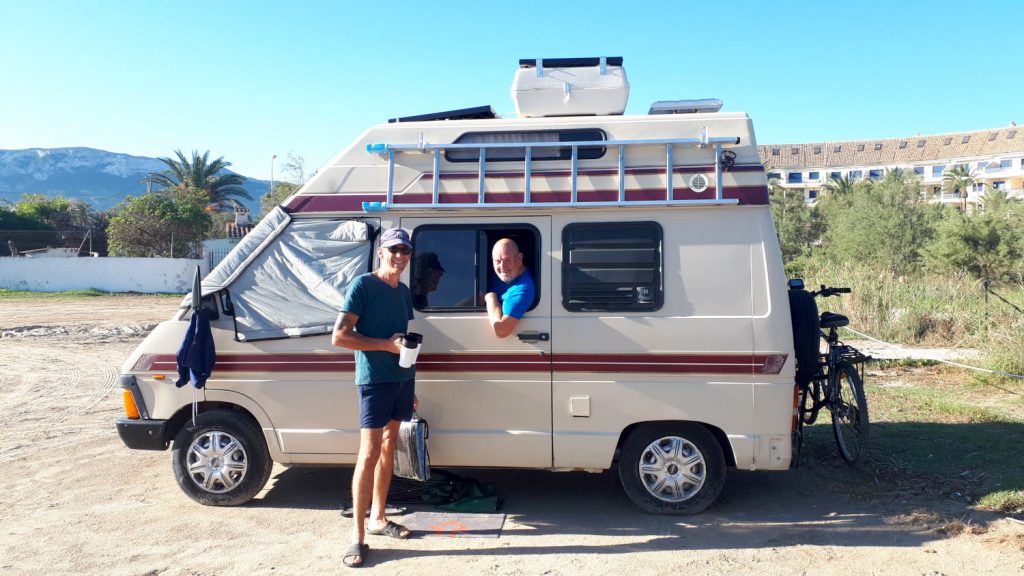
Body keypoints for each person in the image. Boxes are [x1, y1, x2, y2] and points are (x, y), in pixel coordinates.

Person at [332, 227, 417, 568]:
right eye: (394, 250)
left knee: (388, 447)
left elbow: (404, 342)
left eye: (406, 251)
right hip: (374, 382)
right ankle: (357, 537)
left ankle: (379, 519)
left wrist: (412, 383)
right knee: (368, 453)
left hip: (401, 381)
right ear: (381, 251)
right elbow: (340, 336)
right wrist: (384, 345)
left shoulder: (404, 291)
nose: (400, 256)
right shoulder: (364, 285)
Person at [484, 238, 535, 338]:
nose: (502, 266)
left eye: (508, 260)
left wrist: (490, 297)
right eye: (498, 261)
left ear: (519, 259)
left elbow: (501, 330)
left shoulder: (523, 289)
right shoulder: (504, 274)